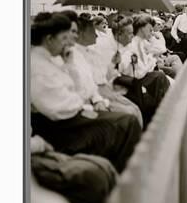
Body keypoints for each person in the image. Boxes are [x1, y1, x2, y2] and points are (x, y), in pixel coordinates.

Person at [30, 12, 141, 173]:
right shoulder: (38, 66)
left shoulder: (53, 59)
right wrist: (86, 107)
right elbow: (58, 107)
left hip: (75, 114)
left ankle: (122, 170)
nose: (67, 42)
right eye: (63, 38)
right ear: (49, 39)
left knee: (127, 119)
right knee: (126, 122)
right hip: (61, 128)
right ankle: (122, 174)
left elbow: (76, 88)